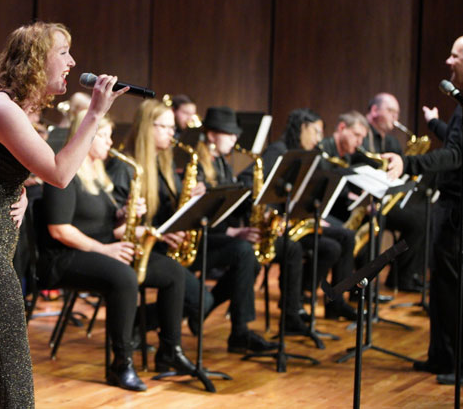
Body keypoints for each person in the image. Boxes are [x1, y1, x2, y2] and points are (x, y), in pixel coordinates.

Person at [0, 22, 127, 408]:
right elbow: (59, 174)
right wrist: (93, 115)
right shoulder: (1, 108)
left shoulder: (9, 109)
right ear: (36, 61)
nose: (72, 62)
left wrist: (19, 189)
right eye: (63, 53)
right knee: (10, 387)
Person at [37, 111, 195, 391]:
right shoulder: (64, 172)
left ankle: (170, 351)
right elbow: (59, 229)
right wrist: (105, 250)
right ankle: (121, 364)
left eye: (109, 135)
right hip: (64, 257)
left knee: (172, 272)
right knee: (123, 277)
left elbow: (110, 227)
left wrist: (129, 218)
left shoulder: (100, 176)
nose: (110, 143)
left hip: (100, 248)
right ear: (83, 137)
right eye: (103, 136)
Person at [386, 35, 463, 386]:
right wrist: (436, 125)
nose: (448, 61)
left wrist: (407, 163)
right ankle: (443, 356)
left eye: (455, 56)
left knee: (462, 286)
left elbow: (456, 156)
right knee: (443, 283)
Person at [109, 99, 278, 355]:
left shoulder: (164, 165)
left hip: (172, 243)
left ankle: (240, 332)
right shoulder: (126, 166)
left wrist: (192, 201)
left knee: (245, 252)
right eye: (165, 127)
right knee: (201, 300)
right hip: (148, 247)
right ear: (147, 128)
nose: (172, 133)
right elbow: (119, 225)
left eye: (171, 127)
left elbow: (174, 211)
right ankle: (137, 321)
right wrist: (165, 232)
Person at [196, 106, 308, 333]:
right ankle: (240, 330)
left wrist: (266, 218)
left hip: (224, 236)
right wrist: (234, 233)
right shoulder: (197, 166)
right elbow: (199, 217)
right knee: (246, 254)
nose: (235, 138)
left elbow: (233, 206)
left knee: (290, 249)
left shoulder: (222, 163)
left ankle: (290, 314)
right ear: (211, 135)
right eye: (229, 134)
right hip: (206, 239)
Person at [260, 108, 357, 320]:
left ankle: (335, 302)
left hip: (299, 220)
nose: (319, 138)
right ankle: (294, 302)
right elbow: (260, 189)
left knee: (346, 237)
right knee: (330, 247)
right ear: (302, 127)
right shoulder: (278, 151)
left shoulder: (307, 153)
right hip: (280, 225)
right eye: (316, 131)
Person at [359, 93, 427, 292]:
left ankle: (400, 276)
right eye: (390, 111)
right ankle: (363, 288)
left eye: (397, 113)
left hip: (385, 200)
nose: (395, 117)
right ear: (374, 111)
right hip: (363, 201)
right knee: (378, 221)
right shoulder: (361, 135)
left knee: (420, 221)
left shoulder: (392, 143)